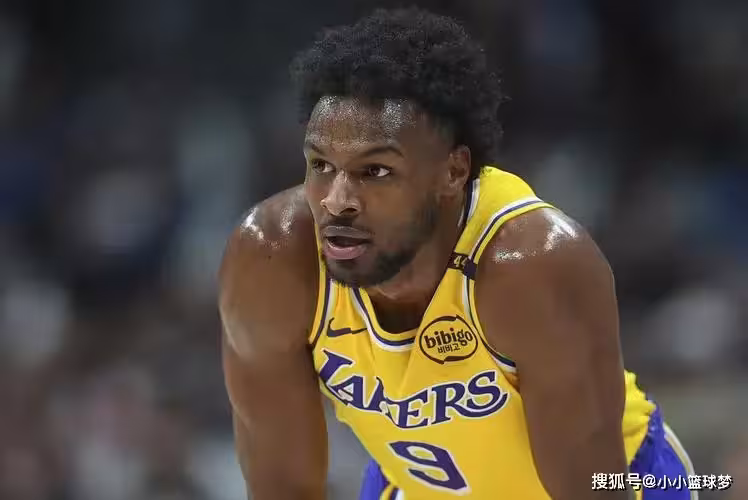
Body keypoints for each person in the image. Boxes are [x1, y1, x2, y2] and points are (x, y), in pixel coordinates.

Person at [218, 7, 696, 500]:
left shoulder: (532, 267)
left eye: (375, 171)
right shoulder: (272, 259)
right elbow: (284, 488)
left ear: (453, 172)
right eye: (321, 165)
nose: (337, 201)